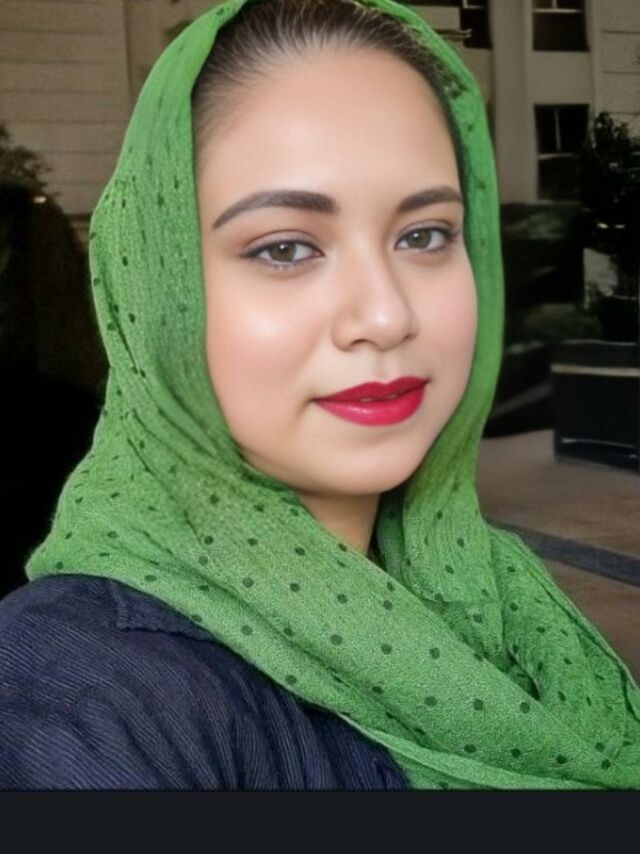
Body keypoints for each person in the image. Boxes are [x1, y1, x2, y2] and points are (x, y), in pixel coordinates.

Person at [0, 0, 638, 790]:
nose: (386, 315)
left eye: (425, 235)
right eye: (286, 248)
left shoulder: (504, 602)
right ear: (158, 289)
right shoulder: (73, 700)